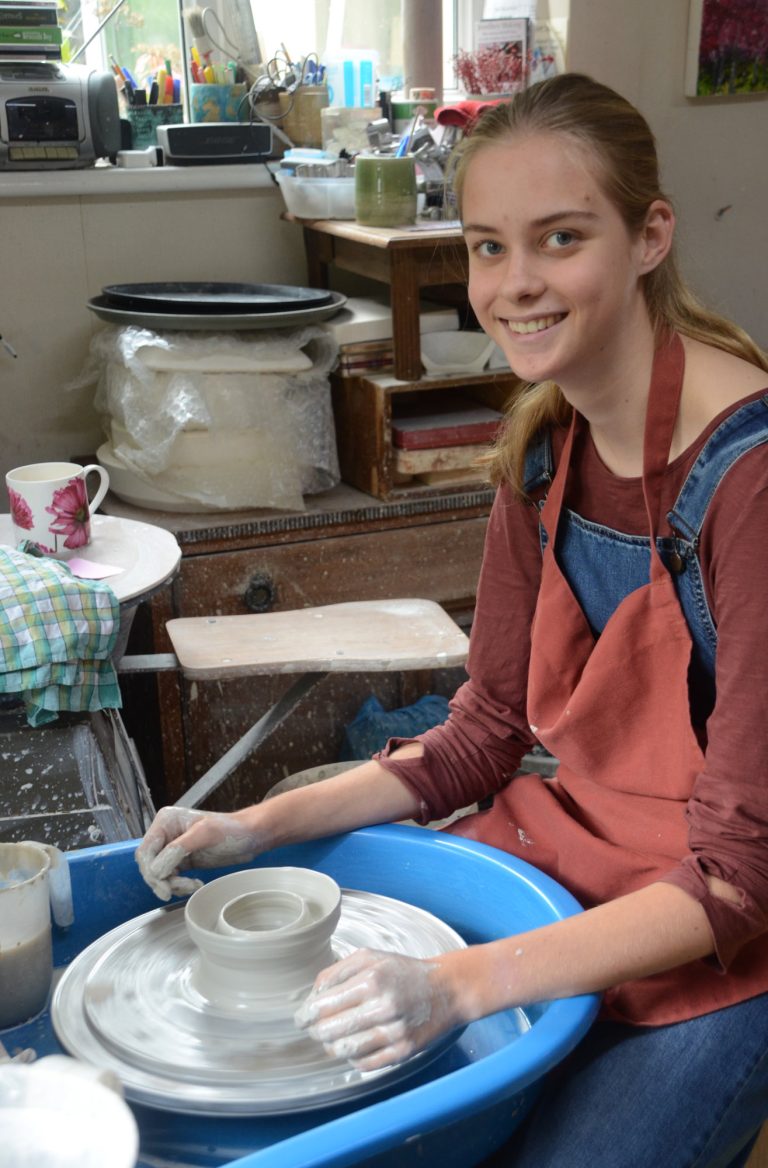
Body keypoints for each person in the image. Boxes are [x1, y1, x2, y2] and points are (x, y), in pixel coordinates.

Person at [135, 74, 768, 1167]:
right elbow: (484, 731)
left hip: (723, 932)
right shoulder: (542, 449)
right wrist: (252, 828)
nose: (515, 285)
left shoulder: (747, 480)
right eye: (486, 247)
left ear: (650, 234)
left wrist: (453, 983)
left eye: (560, 239)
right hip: (569, 855)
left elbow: (738, 876)